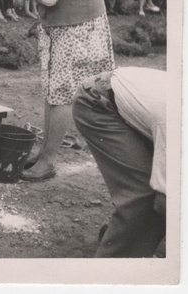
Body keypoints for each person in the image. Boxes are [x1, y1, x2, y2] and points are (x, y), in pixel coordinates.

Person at [7, 0, 115, 181]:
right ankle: (44, 152)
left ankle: (49, 161)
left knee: (62, 94)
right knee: (51, 91)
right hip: (55, 26)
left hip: (79, 25)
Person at [72, 67, 166, 258]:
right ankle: (113, 270)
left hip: (136, 103)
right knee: (144, 196)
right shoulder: (178, 123)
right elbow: (165, 201)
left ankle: (126, 238)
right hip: (97, 101)